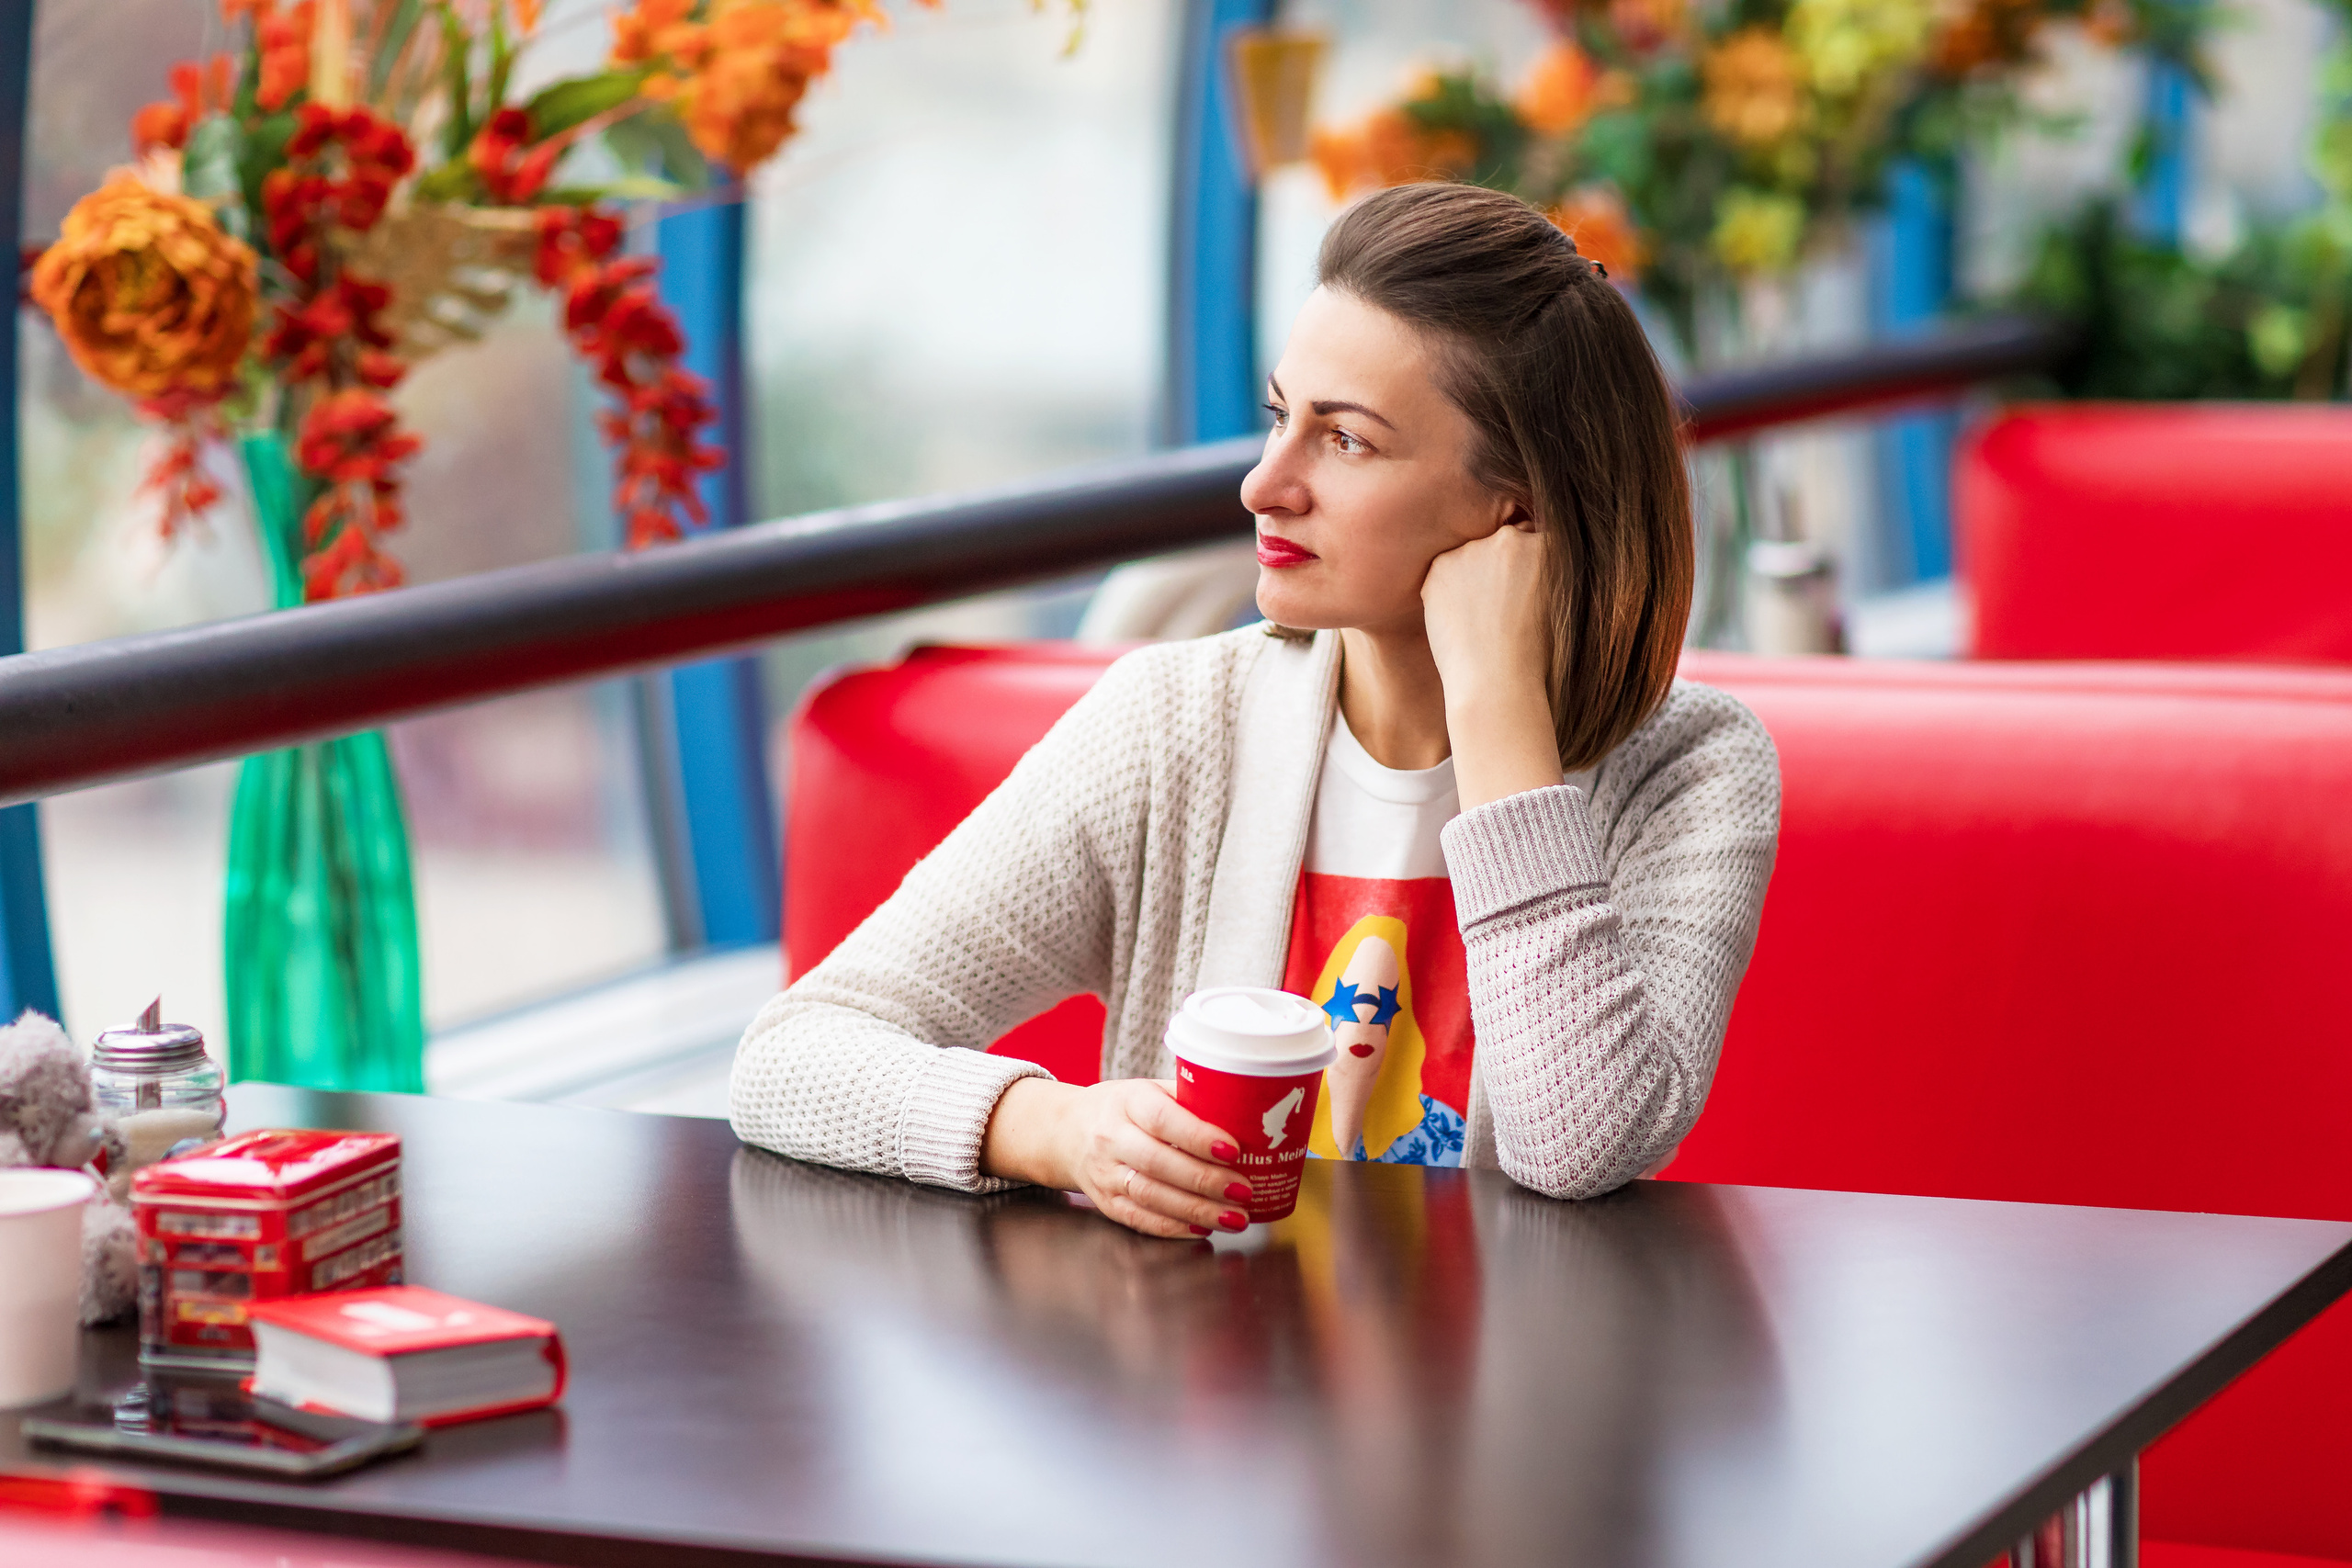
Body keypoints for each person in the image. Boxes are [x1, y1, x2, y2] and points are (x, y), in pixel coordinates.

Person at [730, 182, 1780, 1237]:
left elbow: (1577, 1146)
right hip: (1206, 1382)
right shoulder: (1175, 723)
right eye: (1281, 417)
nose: (1263, 485)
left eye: (1347, 441)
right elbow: (795, 1055)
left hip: (1516, 1394)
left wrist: (1500, 706)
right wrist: (1057, 1129)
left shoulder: (1691, 772)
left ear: (1518, 508)